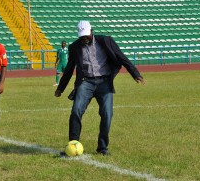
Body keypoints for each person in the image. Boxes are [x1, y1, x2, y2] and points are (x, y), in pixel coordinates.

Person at [54, 20, 144, 155]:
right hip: (85, 83)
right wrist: (60, 88)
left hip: (104, 82)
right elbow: (69, 69)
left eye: (86, 35)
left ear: (92, 31)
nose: (84, 38)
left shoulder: (106, 41)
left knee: (107, 114)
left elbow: (122, 57)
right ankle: (73, 145)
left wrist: (135, 74)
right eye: (81, 36)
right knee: (76, 111)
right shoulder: (75, 47)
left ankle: (102, 148)